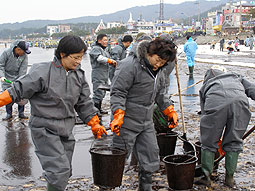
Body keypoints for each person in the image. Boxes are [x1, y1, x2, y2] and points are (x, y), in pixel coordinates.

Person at [0, 35, 107, 191]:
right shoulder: (42, 71)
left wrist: (94, 123)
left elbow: (84, 103)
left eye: (81, 57)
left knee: (64, 171)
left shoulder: (79, 75)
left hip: (66, 128)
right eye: (75, 57)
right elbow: (17, 90)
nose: (78, 61)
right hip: (44, 128)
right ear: (62, 54)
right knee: (59, 171)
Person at [109, 38, 178, 191]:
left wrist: (170, 110)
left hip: (146, 121)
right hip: (126, 120)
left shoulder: (159, 71)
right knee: (117, 158)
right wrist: (118, 113)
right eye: (158, 60)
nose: (159, 64)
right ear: (149, 52)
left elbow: (160, 94)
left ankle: (145, 188)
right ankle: (108, 187)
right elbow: (118, 92)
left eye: (163, 63)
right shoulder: (129, 65)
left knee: (150, 157)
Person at [198, 65, 255, 187]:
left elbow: (204, 111)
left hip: (215, 102)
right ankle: (229, 179)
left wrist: (211, 134)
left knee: (208, 142)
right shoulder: (236, 77)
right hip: (240, 102)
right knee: (234, 141)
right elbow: (252, 89)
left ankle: (206, 177)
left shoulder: (207, 85)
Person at [0, 40, 31, 120]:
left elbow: (23, 70)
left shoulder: (24, 56)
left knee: (21, 95)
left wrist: (19, 82)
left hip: (18, 77)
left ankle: (21, 113)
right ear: (18, 49)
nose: (24, 53)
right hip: (7, 77)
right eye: (23, 51)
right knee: (8, 95)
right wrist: (2, 76)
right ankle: (9, 114)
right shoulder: (6, 53)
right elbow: (1, 66)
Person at [89, 34, 117, 115]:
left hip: (104, 74)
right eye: (104, 40)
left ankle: (99, 110)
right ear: (99, 41)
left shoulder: (104, 50)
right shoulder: (95, 49)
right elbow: (99, 58)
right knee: (98, 92)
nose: (106, 42)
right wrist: (110, 61)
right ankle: (94, 112)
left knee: (102, 92)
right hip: (98, 74)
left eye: (106, 40)